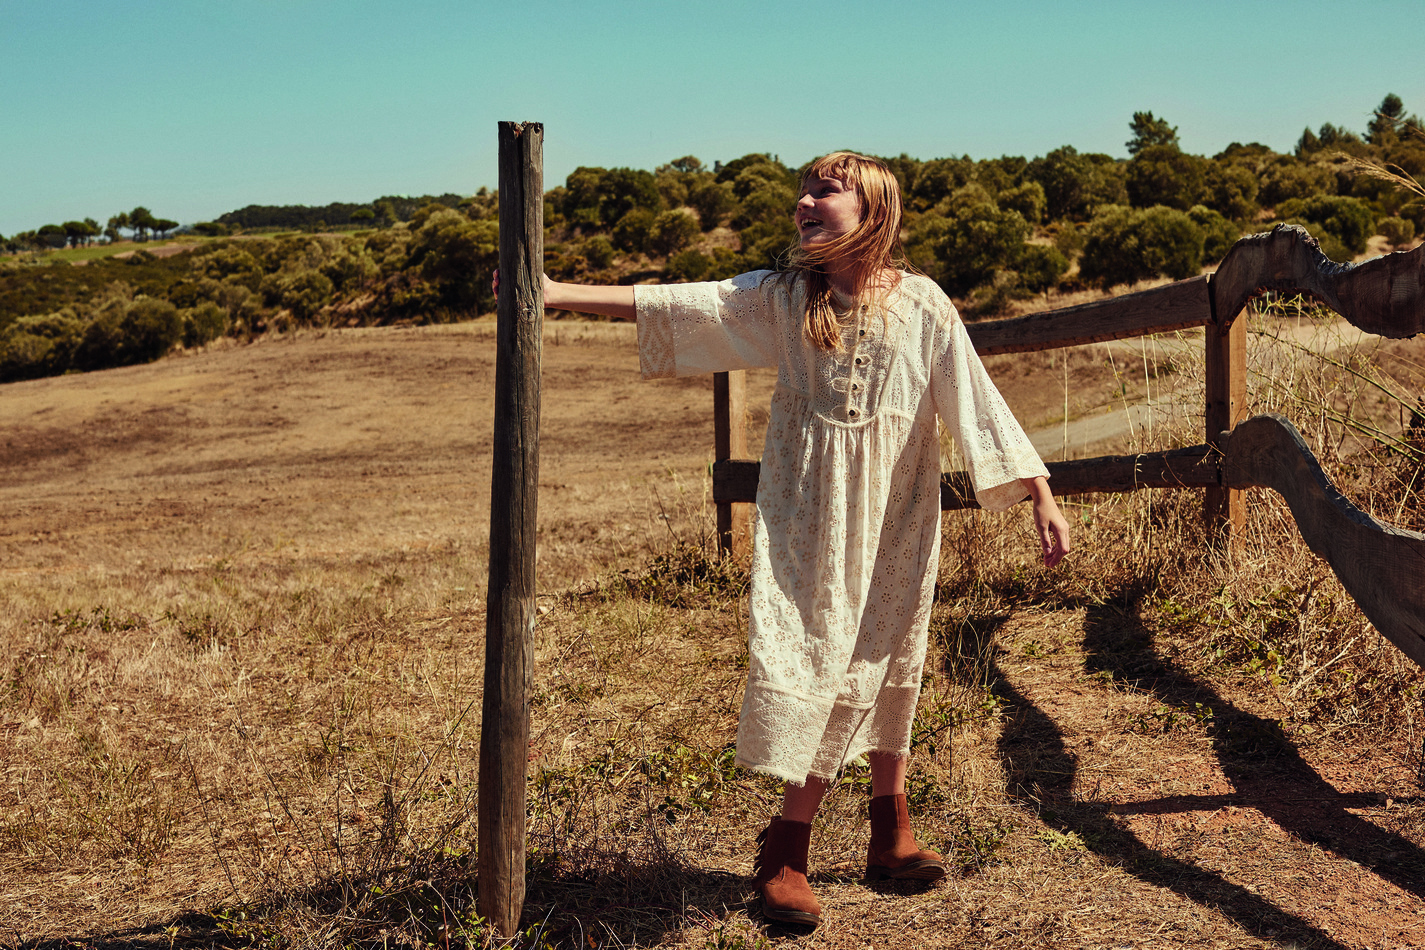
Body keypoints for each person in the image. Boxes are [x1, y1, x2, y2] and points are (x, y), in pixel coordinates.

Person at [512, 152, 1070, 929]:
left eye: (825, 191)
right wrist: (553, 292)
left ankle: (891, 831)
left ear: (873, 210)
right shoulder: (784, 299)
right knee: (819, 657)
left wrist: (1039, 494)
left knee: (891, 649)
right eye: (801, 192)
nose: (804, 202)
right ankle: (785, 851)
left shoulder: (924, 305)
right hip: (809, 514)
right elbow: (687, 302)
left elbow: (973, 400)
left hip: (897, 514)